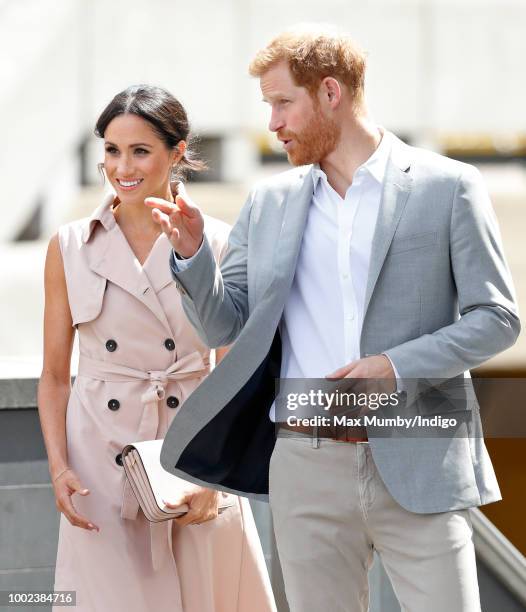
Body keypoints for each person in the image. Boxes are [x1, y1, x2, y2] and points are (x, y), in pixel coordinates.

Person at [153, 25, 520, 612]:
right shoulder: (268, 203)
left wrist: (395, 366)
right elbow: (225, 327)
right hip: (306, 460)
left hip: (421, 445)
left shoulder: (449, 186)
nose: (272, 123)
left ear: (330, 93)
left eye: (281, 102)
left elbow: (498, 317)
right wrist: (195, 256)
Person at [37, 84, 276, 612]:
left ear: (177, 151)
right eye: (111, 150)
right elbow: (55, 376)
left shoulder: (217, 241)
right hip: (101, 465)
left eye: (140, 150)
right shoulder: (69, 246)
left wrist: (217, 480)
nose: (123, 167)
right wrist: (59, 468)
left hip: (196, 461)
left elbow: (235, 374)